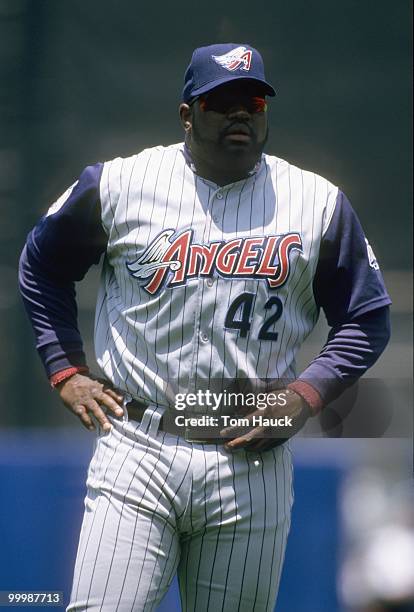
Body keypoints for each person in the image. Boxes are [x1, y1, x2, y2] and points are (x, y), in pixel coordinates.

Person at [19, 43, 391, 611]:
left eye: (253, 102)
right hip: (139, 441)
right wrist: (65, 368)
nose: (241, 113)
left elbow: (367, 317)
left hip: (251, 456)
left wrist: (306, 395)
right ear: (187, 115)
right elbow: (41, 265)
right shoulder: (120, 184)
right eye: (222, 102)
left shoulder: (315, 203)